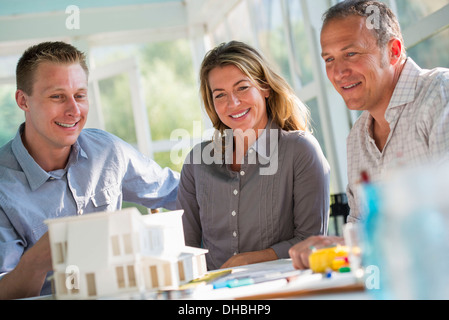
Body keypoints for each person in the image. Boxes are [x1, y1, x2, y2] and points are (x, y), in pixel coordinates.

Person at [0, 41, 180, 299]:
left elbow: (176, 191)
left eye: (80, 95)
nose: (74, 110)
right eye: (57, 96)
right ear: (23, 101)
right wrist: (37, 260)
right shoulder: (3, 187)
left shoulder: (107, 150)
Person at [289, 0, 449, 270]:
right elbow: (361, 230)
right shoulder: (357, 138)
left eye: (351, 53)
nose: (338, 72)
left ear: (393, 51)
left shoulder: (439, 94)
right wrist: (338, 248)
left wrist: (354, 245)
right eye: (329, 59)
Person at [176, 41, 330, 271]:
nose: (233, 103)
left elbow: (312, 241)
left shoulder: (300, 151)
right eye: (220, 95)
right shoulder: (197, 163)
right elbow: (184, 248)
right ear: (212, 104)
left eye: (242, 88)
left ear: (265, 88)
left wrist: (252, 259)